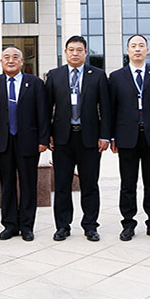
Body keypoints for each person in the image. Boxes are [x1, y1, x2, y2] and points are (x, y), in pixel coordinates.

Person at [46, 36, 111, 242]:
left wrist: (105, 136)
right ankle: (62, 226)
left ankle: (90, 226)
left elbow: (106, 108)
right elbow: (46, 108)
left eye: (79, 50)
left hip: (90, 139)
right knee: (62, 185)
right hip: (62, 139)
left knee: (90, 184)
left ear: (85, 53)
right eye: (71, 50)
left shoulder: (98, 75)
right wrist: (47, 135)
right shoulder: (55, 75)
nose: (75, 53)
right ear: (65, 52)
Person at [109, 34, 150, 242]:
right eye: (133, 46)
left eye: (141, 46)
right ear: (127, 50)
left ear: (147, 50)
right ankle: (128, 224)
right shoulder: (116, 77)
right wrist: (112, 137)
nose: (137, 49)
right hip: (126, 138)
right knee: (128, 183)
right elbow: (111, 109)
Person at [0, 47, 49, 241]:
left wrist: (43, 139)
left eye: (15, 57)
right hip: (3, 142)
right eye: (6, 57)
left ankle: (27, 226)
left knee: (28, 184)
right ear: (1, 62)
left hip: (29, 141)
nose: (11, 60)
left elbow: (43, 113)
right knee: (6, 184)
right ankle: (9, 225)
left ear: (22, 62)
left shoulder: (35, 83)